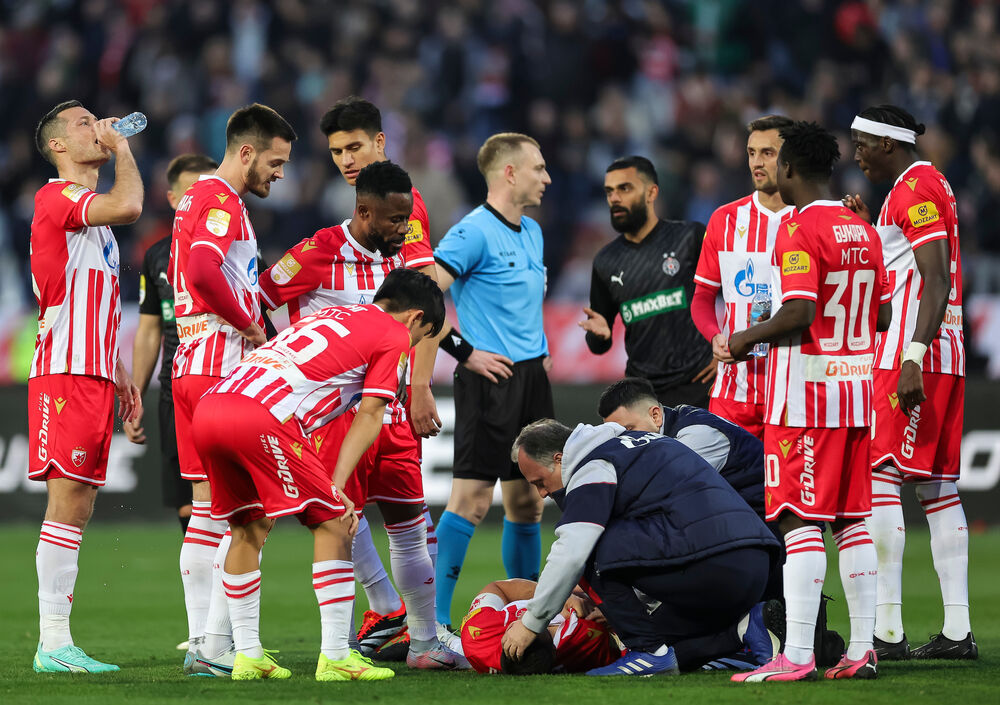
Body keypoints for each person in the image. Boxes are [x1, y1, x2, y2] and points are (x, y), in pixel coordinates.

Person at [192, 267, 445, 681]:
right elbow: (371, 414)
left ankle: (248, 655)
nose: (413, 346)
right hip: (263, 415)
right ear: (415, 317)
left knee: (247, 529)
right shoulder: (394, 334)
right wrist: (337, 486)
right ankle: (336, 657)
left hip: (212, 406)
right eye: (422, 336)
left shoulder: (329, 315)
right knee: (335, 523)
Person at [259, 159, 462, 668]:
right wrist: (283, 358)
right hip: (338, 419)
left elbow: (429, 321)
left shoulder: (407, 257)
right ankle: (342, 646)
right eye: (395, 220)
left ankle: (423, 643)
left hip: (390, 412)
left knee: (410, 525)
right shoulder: (317, 251)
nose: (404, 228)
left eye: (407, 219)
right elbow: (258, 299)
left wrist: (418, 386)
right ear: (365, 212)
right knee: (338, 525)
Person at [727, 121, 892, 682]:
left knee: (799, 521)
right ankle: (862, 649)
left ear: (789, 168)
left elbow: (798, 312)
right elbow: (882, 315)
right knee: (851, 522)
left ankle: (796, 654)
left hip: (805, 400)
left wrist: (744, 338)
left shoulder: (796, 228)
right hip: (856, 393)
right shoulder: (861, 227)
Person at [315, 96, 444, 661]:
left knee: (402, 517)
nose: (346, 159)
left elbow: (424, 300)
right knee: (341, 508)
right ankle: (383, 622)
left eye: (355, 147)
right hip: (348, 397)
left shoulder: (402, 205)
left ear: (380, 143)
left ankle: (416, 628)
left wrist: (420, 386)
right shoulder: (346, 223)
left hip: (387, 395)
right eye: (336, 151)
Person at [168, 103, 295, 671]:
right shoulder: (221, 199)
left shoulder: (194, 197)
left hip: (190, 364)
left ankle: (202, 643)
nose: (280, 173)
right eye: (275, 161)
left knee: (206, 513)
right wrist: (249, 324)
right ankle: (221, 645)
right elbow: (202, 271)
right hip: (222, 369)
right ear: (246, 152)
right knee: (248, 515)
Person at [503, 419, 780, 677]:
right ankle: (745, 630)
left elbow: (572, 551)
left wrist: (531, 623)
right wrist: (621, 608)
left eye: (539, 482)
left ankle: (647, 651)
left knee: (589, 546)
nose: (542, 493)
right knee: (658, 637)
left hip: (715, 563)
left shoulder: (593, 465)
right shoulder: (637, 443)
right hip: (754, 561)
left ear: (559, 459)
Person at [847, 104, 976, 660]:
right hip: (943, 352)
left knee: (880, 476)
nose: (856, 154)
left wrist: (913, 357)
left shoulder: (915, 188)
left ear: (888, 143)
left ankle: (888, 631)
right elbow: (902, 268)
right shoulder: (922, 185)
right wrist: (867, 228)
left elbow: (935, 276)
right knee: (937, 488)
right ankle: (957, 632)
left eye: (862, 143)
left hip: (912, 353)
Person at [28, 100, 143, 673]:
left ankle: (59, 641)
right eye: (83, 123)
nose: (96, 127)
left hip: (93, 371)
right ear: (58, 145)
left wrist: (119, 369)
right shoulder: (57, 197)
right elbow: (131, 204)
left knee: (81, 505)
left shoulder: (96, 228)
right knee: (67, 501)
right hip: (65, 371)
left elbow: (92, 301)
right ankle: (52, 643)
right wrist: (122, 147)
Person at [432, 132, 553, 631]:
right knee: (472, 501)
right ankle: (433, 624)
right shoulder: (472, 232)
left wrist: (541, 354)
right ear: (509, 172)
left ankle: (526, 614)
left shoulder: (533, 231)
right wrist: (466, 352)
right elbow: (422, 298)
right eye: (538, 168)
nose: (546, 178)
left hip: (532, 378)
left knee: (528, 502)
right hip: (490, 381)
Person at [125, 154, 218, 536]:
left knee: (232, 499)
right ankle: (205, 576)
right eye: (193, 191)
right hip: (175, 389)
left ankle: (230, 573)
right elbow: (150, 330)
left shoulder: (239, 246)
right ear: (174, 198)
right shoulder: (157, 256)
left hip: (224, 383)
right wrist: (135, 396)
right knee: (188, 502)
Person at [579, 156, 715, 408]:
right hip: (643, 395)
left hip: (699, 385)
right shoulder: (605, 261)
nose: (614, 198)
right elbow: (598, 343)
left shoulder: (690, 237)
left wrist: (726, 349)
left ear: (651, 192)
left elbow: (735, 293)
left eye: (624, 188)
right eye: (609, 191)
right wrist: (599, 337)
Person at [691, 116, 797, 438]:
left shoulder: (811, 218)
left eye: (768, 153)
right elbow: (702, 297)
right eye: (752, 153)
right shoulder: (724, 220)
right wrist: (714, 337)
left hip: (794, 391)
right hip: (734, 391)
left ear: (790, 158)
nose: (756, 162)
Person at [459, 578, 622, 674]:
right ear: (554, 651)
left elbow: (498, 587)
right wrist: (613, 616)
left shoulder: (477, 635)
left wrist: (556, 596)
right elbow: (627, 642)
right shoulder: (587, 637)